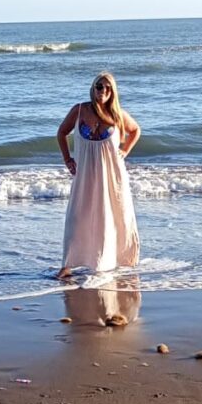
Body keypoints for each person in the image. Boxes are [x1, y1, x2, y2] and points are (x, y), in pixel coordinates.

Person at [55, 72, 141, 279]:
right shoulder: (79, 110)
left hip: (111, 176)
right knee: (77, 219)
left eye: (107, 88)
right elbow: (61, 133)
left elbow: (135, 130)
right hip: (84, 176)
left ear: (113, 92)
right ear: (93, 88)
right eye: (99, 87)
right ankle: (68, 265)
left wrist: (125, 150)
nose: (103, 91)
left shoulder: (117, 115)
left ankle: (104, 265)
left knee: (109, 217)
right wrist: (68, 159)